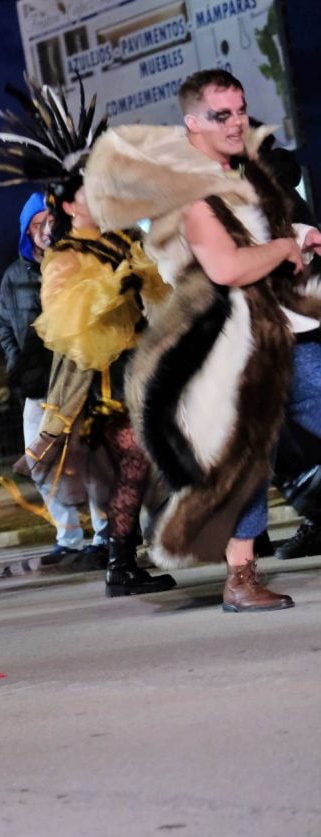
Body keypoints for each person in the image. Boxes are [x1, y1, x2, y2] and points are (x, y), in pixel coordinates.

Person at [83, 68, 321, 610]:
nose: (238, 122)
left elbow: (265, 227)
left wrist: (302, 234)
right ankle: (240, 578)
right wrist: (285, 250)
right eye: (223, 114)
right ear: (192, 121)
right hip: (230, 349)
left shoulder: (242, 172)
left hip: (286, 332)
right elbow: (226, 266)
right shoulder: (186, 190)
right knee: (246, 462)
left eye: (240, 110)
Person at [0, 78, 177, 597]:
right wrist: (120, 285)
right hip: (100, 389)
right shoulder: (66, 257)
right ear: (69, 205)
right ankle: (119, 562)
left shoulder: (121, 241)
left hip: (137, 375)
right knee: (131, 469)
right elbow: (72, 326)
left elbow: (157, 298)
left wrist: (143, 278)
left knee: (137, 472)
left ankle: (123, 559)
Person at [0, 193, 108, 564]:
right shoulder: (14, 275)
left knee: (88, 459)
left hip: (74, 379)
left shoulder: (74, 261)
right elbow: (4, 326)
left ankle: (105, 534)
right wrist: (19, 364)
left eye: (48, 221)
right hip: (36, 384)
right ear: (27, 231)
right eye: (35, 224)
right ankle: (68, 535)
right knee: (39, 460)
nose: (43, 230)